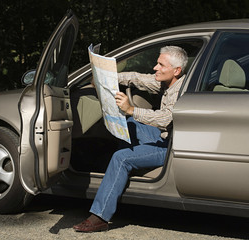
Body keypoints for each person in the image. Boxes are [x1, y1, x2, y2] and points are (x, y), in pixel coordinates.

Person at [73, 46, 188, 232]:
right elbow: (137, 78)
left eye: (161, 65)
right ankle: (117, 176)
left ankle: (100, 216)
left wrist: (132, 109)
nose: (155, 67)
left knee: (121, 157)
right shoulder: (168, 82)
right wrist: (107, 79)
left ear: (176, 71)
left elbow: (166, 118)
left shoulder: (180, 91)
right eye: (157, 63)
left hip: (171, 146)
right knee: (130, 125)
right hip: (163, 137)